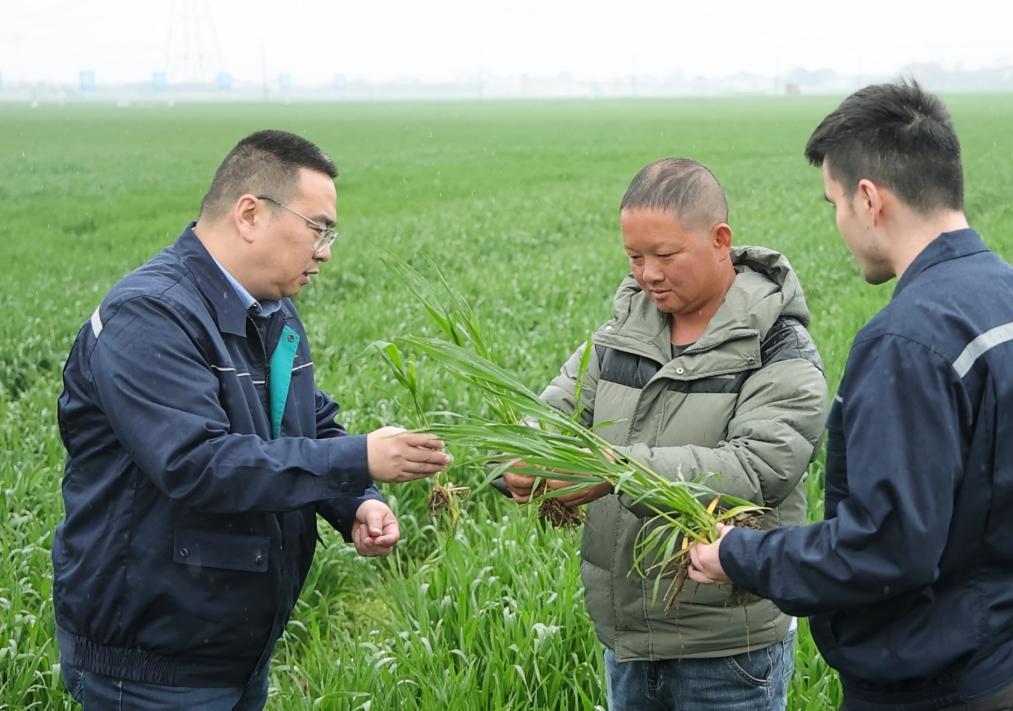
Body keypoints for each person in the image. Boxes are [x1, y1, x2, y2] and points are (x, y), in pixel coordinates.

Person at [688, 81, 1013, 710]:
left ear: (869, 199)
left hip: (935, 691)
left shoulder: (908, 341)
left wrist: (741, 557)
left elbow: (884, 550)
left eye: (834, 202)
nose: (838, 223)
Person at [53, 129, 452, 710]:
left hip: (231, 648)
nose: (326, 250)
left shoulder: (270, 308)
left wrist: (355, 500)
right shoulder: (150, 315)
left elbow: (308, 424)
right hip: (152, 663)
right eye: (318, 227)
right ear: (250, 214)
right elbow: (198, 464)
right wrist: (358, 457)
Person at [502, 157, 830, 711]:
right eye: (634, 256)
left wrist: (613, 471)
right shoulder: (619, 337)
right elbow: (548, 417)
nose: (647, 273)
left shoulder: (777, 348)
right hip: (627, 641)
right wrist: (519, 462)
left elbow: (756, 468)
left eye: (665, 255)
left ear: (719, 240)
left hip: (727, 650)